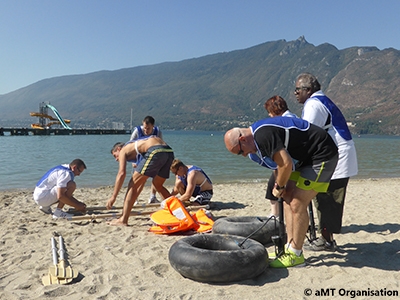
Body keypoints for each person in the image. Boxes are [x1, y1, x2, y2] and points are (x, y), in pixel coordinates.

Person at [224, 116, 338, 268]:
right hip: (304, 160)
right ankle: (289, 248)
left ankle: (296, 255)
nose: (244, 155)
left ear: (243, 139)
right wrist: (281, 188)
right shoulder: (258, 139)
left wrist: (279, 186)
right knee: (287, 197)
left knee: (297, 203)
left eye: (240, 152)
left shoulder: (263, 136)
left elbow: (285, 164)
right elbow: (278, 166)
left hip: (322, 155)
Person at [294, 73, 358, 251]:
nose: (295, 93)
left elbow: (306, 134)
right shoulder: (321, 101)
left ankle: (327, 240)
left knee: (328, 198)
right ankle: (326, 238)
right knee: (325, 197)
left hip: (336, 156)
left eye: (298, 89)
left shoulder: (314, 104)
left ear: (308, 90)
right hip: (336, 154)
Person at [106, 136, 174, 226]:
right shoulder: (140, 151)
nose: (116, 159)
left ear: (118, 149)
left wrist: (113, 197)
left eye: (115, 155)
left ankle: (123, 220)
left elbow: (121, 174)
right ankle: (176, 211)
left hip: (156, 150)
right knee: (158, 185)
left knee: (132, 184)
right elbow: (141, 181)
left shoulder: (123, 150)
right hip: (169, 151)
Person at [261, 95, 298, 219]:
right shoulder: (294, 118)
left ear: (275, 110)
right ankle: (276, 214)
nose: (270, 116)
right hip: (296, 161)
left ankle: (275, 215)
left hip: (290, 162)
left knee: (274, 186)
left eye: (270, 112)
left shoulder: (282, 122)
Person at [130, 116, 163, 204]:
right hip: (139, 157)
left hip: (152, 156)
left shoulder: (157, 132)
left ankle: (152, 196)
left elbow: (160, 144)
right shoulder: (137, 131)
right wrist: (133, 161)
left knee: (156, 177)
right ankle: (135, 199)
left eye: (148, 128)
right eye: (144, 128)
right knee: (138, 179)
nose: (146, 130)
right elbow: (130, 145)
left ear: (153, 126)